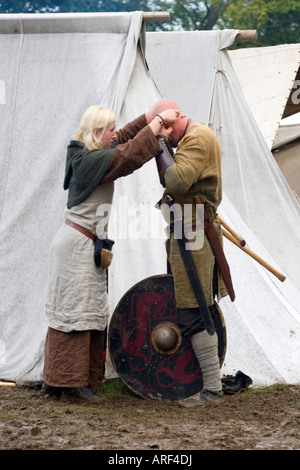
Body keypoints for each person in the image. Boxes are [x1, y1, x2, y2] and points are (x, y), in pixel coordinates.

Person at [42, 104, 179, 401]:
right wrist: (156, 123)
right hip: (77, 246)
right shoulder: (93, 161)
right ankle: (70, 385)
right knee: (77, 314)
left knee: (77, 311)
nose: (116, 134)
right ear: (96, 133)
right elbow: (127, 155)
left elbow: (122, 142)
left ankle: (57, 381)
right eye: (111, 130)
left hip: (79, 244)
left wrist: (146, 119)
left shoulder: (90, 154)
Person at [147, 99, 230, 404]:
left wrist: (158, 143)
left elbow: (178, 179)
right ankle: (210, 384)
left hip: (193, 233)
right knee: (195, 305)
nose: (166, 135)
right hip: (188, 231)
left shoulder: (197, 137)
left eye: (165, 128)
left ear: (174, 119)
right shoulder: (191, 138)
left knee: (194, 309)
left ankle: (212, 389)